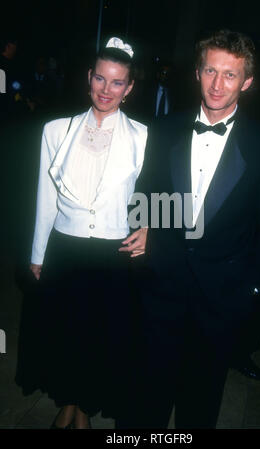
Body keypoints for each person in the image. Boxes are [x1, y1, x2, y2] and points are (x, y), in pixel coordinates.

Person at [118, 29, 260, 428]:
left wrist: (251, 290)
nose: (217, 84)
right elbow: (147, 193)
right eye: (210, 70)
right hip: (161, 287)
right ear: (197, 72)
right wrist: (149, 226)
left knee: (201, 402)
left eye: (230, 75)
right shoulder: (163, 129)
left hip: (222, 300)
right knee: (148, 398)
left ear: (247, 82)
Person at [15, 37, 147, 429]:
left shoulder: (143, 135)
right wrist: (38, 254)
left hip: (113, 253)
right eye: (100, 80)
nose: (106, 90)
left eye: (117, 82)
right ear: (89, 79)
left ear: (129, 88)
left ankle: (83, 408)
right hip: (65, 249)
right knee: (65, 336)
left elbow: (155, 191)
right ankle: (69, 404)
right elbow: (44, 196)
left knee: (100, 339)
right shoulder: (55, 130)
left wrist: (152, 228)